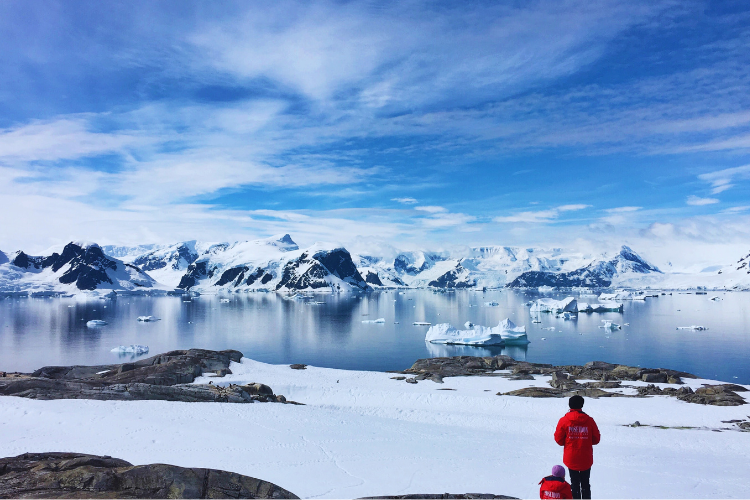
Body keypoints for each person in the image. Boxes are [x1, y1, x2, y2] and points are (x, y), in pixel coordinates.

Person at [554, 395, 600, 499]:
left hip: (571, 457)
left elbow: (559, 440)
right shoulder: (589, 420)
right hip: (585, 457)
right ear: (581, 405)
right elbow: (596, 439)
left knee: (574, 483)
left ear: (570, 405)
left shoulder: (564, 420)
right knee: (585, 483)